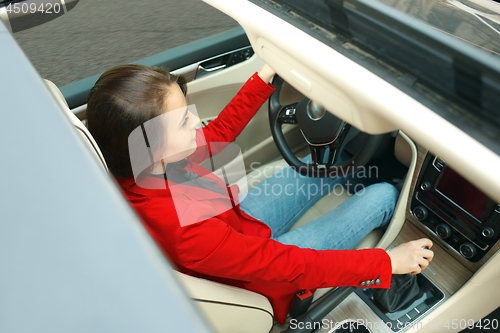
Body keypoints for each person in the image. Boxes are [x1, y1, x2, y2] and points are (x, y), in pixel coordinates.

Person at [87, 63, 434, 324]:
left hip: (239, 226)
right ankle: (397, 193)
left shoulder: (140, 165)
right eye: (182, 121)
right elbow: (292, 264)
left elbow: (218, 134)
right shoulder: (185, 233)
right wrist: (386, 262)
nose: (196, 122)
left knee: (332, 162)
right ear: (152, 145)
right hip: (257, 277)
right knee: (383, 197)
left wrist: (265, 74)